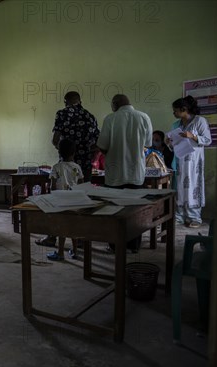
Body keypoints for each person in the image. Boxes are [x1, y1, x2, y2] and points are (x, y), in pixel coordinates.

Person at [37, 91, 100, 248]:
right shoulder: (90, 116)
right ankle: (80, 239)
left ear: (66, 102)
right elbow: (96, 144)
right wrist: (85, 155)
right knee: (81, 203)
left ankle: (52, 237)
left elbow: (55, 139)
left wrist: (64, 152)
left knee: (59, 205)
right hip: (83, 167)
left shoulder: (62, 114)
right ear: (80, 101)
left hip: (64, 166)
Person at [97, 94, 153, 252]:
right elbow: (148, 144)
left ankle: (115, 246)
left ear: (115, 104)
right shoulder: (144, 117)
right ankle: (134, 246)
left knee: (114, 211)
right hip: (136, 173)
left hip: (115, 173)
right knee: (136, 211)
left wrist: (111, 151)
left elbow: (103, 145)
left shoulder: (110, 119)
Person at [168, 96, 212, 228]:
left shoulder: (200, 121)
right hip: (180, 161)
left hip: (194, 162)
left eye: (175, 110)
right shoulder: (176, 125)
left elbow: (208, 140)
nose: (174, 113)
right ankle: (179, 216)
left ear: (184, 109)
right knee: (180, 188)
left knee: (194, 186)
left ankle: (194, 217)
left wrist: (192, 136)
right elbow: (173, 145)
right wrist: (169, 143)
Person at [46, 139, 84, 261]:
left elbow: (52, 186)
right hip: (74, 202)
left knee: (62, 226)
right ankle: (75, 252)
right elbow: (82, 185)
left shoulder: (56, 167)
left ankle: (61, 253)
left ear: (59, 152)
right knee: (73, 226)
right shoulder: (77, 167)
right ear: (74, 153)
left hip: (60, 202)